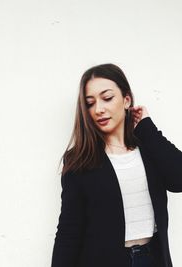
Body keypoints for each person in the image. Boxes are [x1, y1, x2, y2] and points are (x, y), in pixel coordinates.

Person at [51, 63, 182, 267]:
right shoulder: (80, 160)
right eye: (90, 103)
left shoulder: (149, 149)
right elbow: (69, 231)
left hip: (152, 259)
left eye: (107, 98)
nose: (98, 109)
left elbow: (178, 179)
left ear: (126, 100)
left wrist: (147, 128)